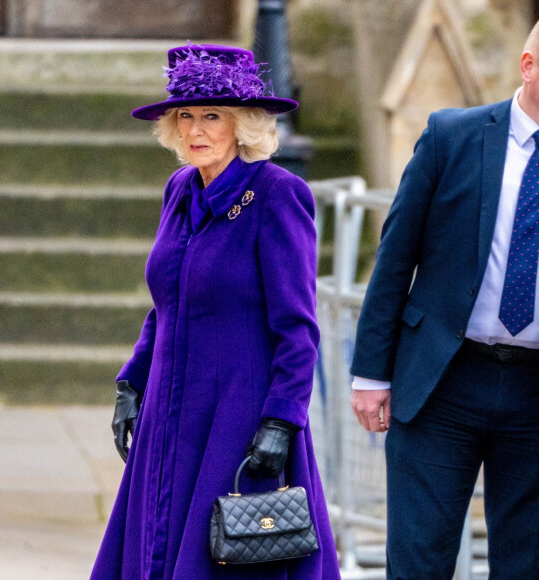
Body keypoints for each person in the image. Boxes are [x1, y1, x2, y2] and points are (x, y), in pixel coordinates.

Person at [90, 43, 341, 580]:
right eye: (185, 115)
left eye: (212, 116)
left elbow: (299, 327)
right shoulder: (180, 189)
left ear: (244, 124)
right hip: (168, 409)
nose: (194, 130)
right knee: (154, 548)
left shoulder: (277, 194)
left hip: (237, 415)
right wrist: (132, 382)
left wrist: (281, 419)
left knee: (227, 558)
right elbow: (169, 300)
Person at [350, 22, 539, 579]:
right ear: (528, 66)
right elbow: (396, 257)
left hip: (535, 394)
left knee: (526, 563)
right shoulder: (451, 136)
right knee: (418, 559)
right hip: (442, 381)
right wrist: (370, 373)